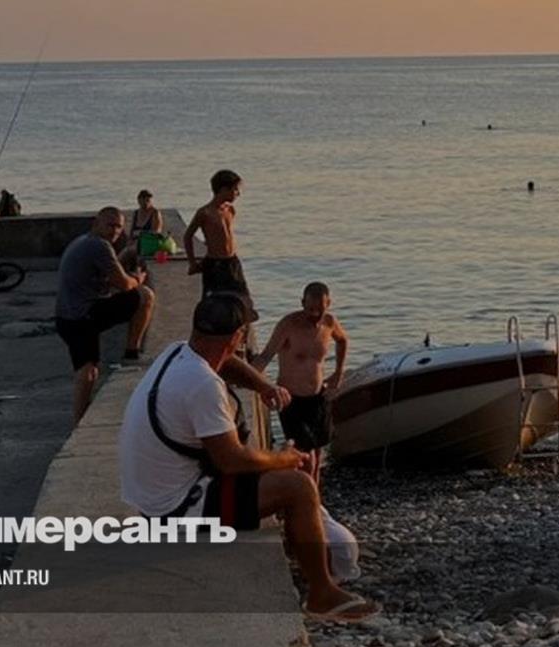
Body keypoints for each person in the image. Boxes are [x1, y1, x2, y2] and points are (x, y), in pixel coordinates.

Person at [118, 294, 379, 622]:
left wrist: (264, 387)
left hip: (152, 498)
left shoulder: (179, 353)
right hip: (176, 511)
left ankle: (303, 550)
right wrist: (284, 458)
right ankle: (321, 594)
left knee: (268, 471)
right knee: (298, 487)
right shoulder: (202, 385)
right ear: (237, 337)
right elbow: (232, 461)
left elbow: (225, 362)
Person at [56, 206, 156, 425]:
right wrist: (138, 278)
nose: (115, 231)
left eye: (119, 227)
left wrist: (126, 257)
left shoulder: (83, 241)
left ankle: (80, 418)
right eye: (110, 225)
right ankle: (131, 352)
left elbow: (109, 275)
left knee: (88, 368)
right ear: (96, 224)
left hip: (66, 316)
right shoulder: (99, 246)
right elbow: (124, 284)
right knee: (145, 296)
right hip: (82, 316)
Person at [252, 282, 348, 484]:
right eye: (310, 309)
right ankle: (302, 493)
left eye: (319, 309)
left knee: (317, 454)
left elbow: (342, 341)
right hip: (291, 399)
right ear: (302, 303)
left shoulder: (329, 323)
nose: (314, 314)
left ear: (328, 304)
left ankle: (313, 496)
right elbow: (266, 355)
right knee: (306, 458)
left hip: (318, 397)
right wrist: (251, 380)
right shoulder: (289, 325)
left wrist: (338, 373)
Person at [184, 169, 257, 320]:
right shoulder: (205, 213)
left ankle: (242, 329)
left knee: (244, 300)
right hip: (214, 262)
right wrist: (192, 262)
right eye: (235, 190)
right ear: (223, 189)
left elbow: (225, 236)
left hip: (232, 261)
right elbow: (188, 236)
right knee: (212, 301)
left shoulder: (230, 210)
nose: (238, 194)